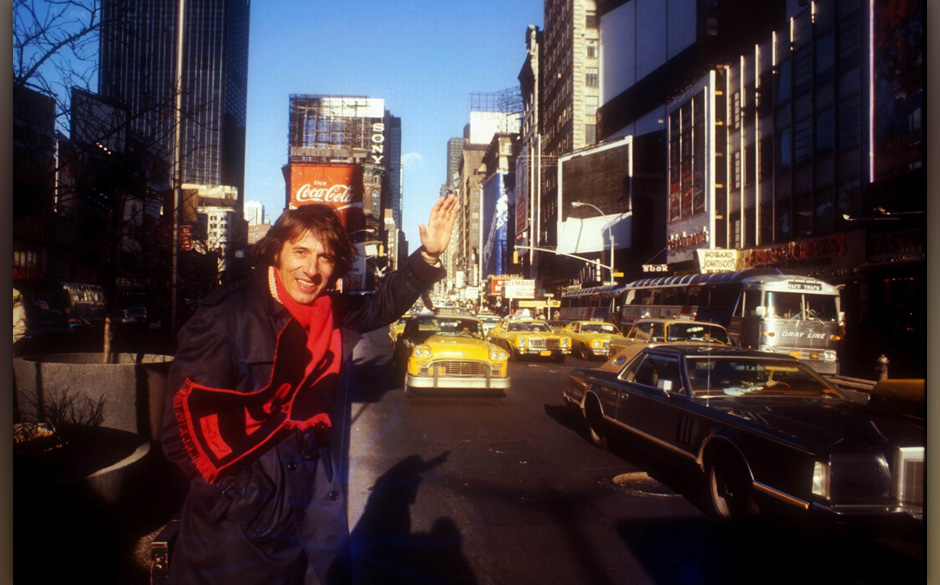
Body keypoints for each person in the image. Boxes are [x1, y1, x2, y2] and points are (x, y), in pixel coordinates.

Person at [160, 195, 459, 585]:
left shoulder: (327, 309)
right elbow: (178, 435)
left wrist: (429, 256)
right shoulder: (225, 318)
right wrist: (247, 497)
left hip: (314, 501)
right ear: (275, 254)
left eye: (325, 257)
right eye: (300, 251)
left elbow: (383, 305)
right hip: (239, 530)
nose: (311, 268)